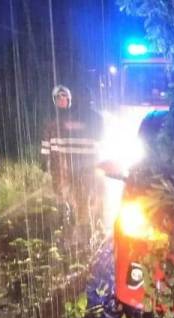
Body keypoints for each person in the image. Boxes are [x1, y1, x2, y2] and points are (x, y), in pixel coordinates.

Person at [41, 84, 101, 236]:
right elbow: (46, 143)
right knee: (69, 196)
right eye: (58, 97)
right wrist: (45, 161)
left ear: (71, 99)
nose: (62, 100)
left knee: (80, 197)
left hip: (76, 166)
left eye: (64, 97)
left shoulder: (74, 117)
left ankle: (81, 231)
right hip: (63, 165)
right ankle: (76, 226)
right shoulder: (52, 120)